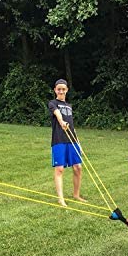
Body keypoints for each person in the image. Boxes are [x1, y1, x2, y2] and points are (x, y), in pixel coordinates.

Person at [48, 78, 86, 207]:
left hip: (72, 140)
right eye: (59, 89)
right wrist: (61, 122)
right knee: (59, 169)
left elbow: (73, 127)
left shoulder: (69, 106)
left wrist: (79, 143)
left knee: (78, 167)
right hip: (59, 140)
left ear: (67, 90)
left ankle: (76, 194)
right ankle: (61, 199)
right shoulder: (52, 103)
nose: (61, 91)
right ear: (55, 90)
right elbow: (58, 114)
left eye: (63, 89)